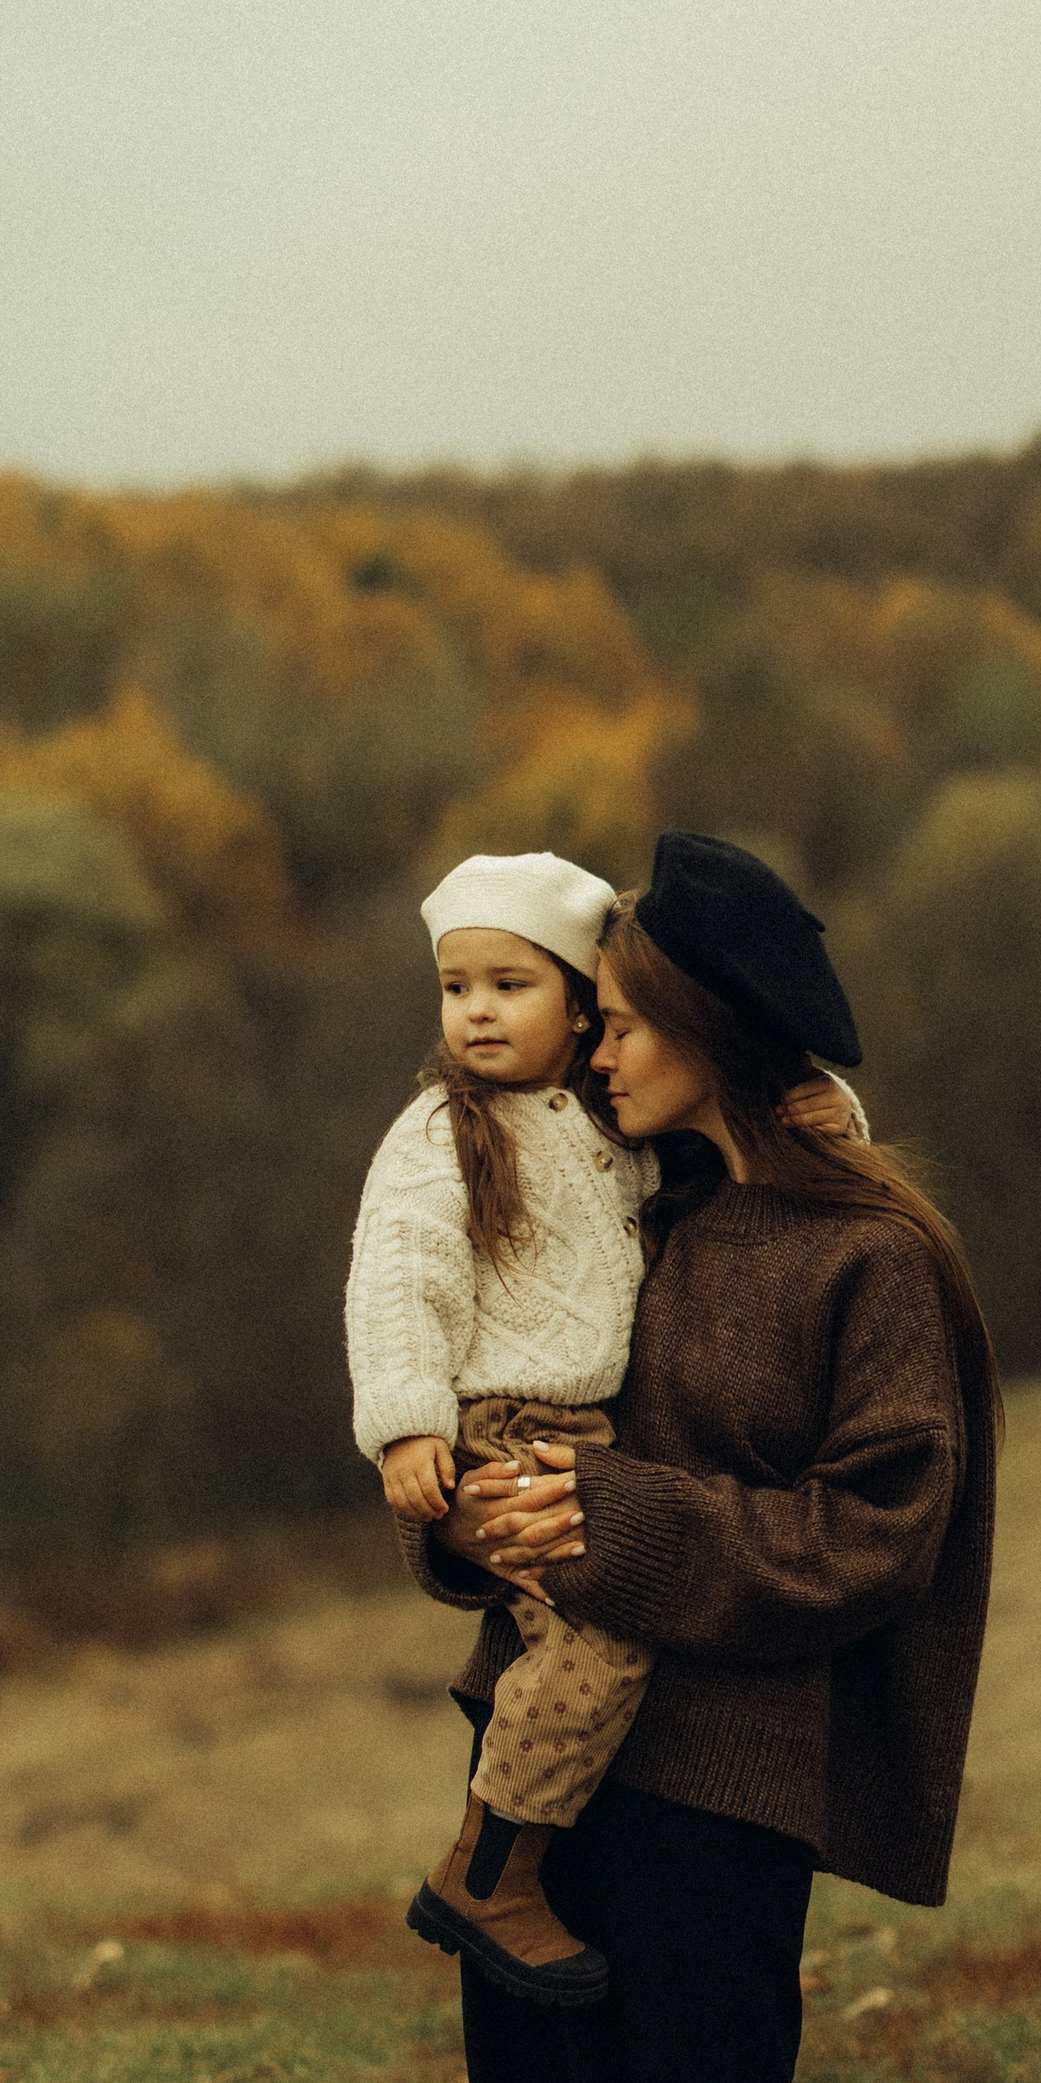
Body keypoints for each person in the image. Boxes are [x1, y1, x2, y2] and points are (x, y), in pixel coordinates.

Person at [411, 830, 999, 2083]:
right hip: (551, 1771)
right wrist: (473, 1522)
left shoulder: (871, 1260)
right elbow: (510, 1413)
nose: (592, 1047)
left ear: (714, 1033)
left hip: (729, 1777)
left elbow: (877, 1535)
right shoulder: (605, 1205)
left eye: (632, 1019)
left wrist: (625, 1519)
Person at [345, 849, 868, 2003]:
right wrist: (405, 1426)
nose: (476, 1012)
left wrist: (830, 1110)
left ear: (583, 1006)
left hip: (586, 1433)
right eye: (456, 987)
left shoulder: (605, 1121)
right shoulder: (443, 1134)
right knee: (597, 1645)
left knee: (592, 1632)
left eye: (509, 986)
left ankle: (508, 1858)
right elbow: (399, 1277)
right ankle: (492, 1866)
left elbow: (727, 1131)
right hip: (508, 1425)